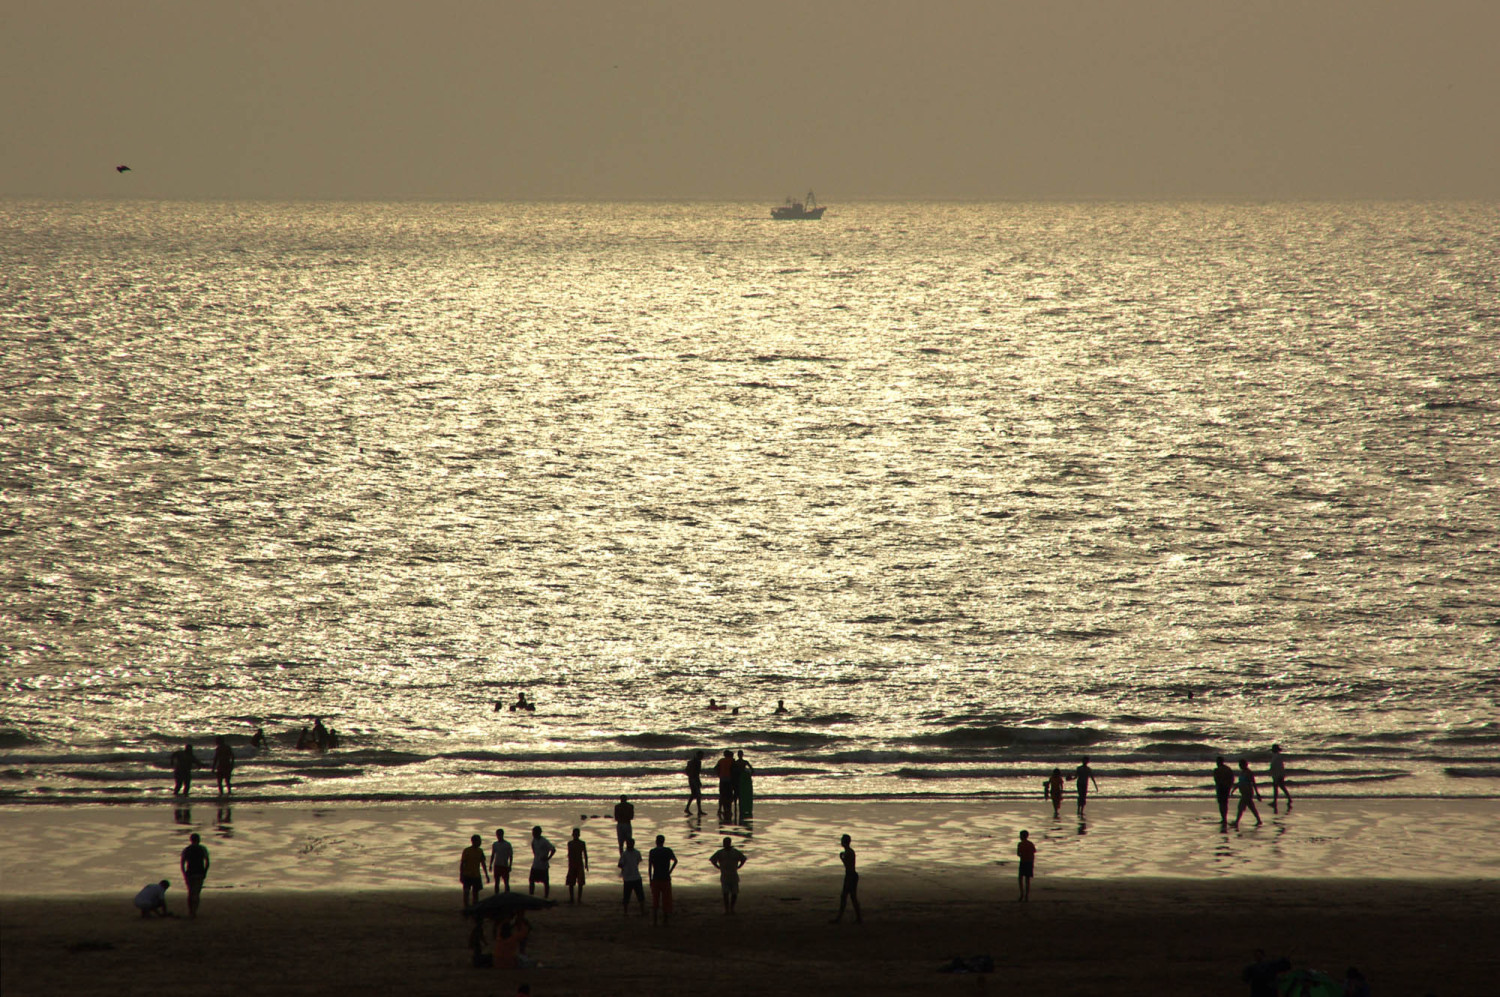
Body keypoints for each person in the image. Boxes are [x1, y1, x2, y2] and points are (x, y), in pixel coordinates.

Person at [710, 836, 747, 914]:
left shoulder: (735, 852)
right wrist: (718, 867)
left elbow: (743, 859)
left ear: (729, 843)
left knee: (734, 893)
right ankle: (727, 909)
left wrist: (739, 866)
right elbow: (712, 860)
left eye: (726, 843)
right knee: (725, 893)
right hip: (724, 875)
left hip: (733, 875)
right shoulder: (720, 852)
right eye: (724, 843)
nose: (725, 844)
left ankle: (731, 908)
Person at [648, 833, 677, 925]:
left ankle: (655, 920)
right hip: (665, 877)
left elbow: (650, 867)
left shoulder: (652, 851)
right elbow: (675, 861)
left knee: (655, 900)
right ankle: (665, 919)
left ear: (656, 841)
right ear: (663, 842)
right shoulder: (668, 851)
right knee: (666, 900)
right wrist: (670, 871)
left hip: (656, 877)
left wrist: (650, 879)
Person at [179, 832, 210, 918]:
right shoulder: (203, 849)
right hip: (199, 872)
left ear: (191, 840)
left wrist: (184, 873)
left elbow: (182, 863)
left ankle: (190, 911)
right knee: (196, 893)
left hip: (190, 873)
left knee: (190, 892)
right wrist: (205, 872)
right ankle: (194, 911)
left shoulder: (187, 849)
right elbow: (207, 862)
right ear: (199, 840)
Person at [833, 834, 861, 923]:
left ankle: (840, 918)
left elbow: (847, 865)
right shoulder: (850, 851)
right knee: (851, 897)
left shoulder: (848, 852)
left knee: (846, 897)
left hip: (850, 876)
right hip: (851, 875)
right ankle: (858, 917)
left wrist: (841, 858)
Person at [1233, 759, 1263, 828]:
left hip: (1248, 792)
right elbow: (1240, 783)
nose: (1240, 766)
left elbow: (1253, 783)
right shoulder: (1242, 772)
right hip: (1243, 793)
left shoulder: (1249, 773)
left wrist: (1257, 793)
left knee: (1241, 807)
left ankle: (1236, 822)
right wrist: (1234, 789)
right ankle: (1258, 820)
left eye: (1241, 764)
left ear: (1245, 764)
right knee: (1251, 807)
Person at [461, 833, 489, 907]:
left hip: (476, 875)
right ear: (473, 841)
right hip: (467, 875)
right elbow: (462, 864)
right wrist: (461, 875)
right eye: (479, 841)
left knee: (475, 893)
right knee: (466, 892)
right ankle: (466, 906)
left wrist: (486, 875)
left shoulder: (480, 851)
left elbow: (483, 864)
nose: (480, 842)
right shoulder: (467, 851)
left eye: (480, 841)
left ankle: (475, 906)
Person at [619, 837, 645, 915]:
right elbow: (637, 861)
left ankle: (640, 911)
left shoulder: (627, 853)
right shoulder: (627, 853)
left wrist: (625, 869)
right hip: (631, 877)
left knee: (639, 896)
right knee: (628, 896)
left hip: (633, 876)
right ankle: (626, 912)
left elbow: (620, 864)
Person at [528, 826, 555, 897]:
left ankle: (546, 896)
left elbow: (553, 849)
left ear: (539, 833)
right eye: (533, 832)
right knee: (531, 880)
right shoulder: (534, 841)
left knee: (545, 882)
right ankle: (531, 895)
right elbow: (533, 850)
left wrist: (548, 858)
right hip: (535, 864)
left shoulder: (544, 841)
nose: (533, 834)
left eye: (534, 832)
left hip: (543, 865)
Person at [565, 827, 589, 904]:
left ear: (578, 835)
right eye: (574, 834)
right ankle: (572, 898)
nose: (575, 835)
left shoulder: (582, 843)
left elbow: (585, 854)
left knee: (580, 883)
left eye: (576, 834)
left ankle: (579, 898)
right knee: (571, 883)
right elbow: (569, 855)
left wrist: (586, 864)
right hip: (572, 864)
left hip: (579, 864)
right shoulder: (570, 843)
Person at [1213, 756, 1236, 828]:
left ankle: (1223, 818)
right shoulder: (1228, 769)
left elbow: (1216, 780)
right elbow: (1232, 779)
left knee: (1221, 803)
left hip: (1221, 787)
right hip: (1226, 787)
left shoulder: (1216, 770)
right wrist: (1230, 786)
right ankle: (1224, 818)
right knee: (1225, 803)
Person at [1269, 744, 1293, 812]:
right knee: (1281, 787)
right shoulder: (1278, 756)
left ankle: (1275, 802)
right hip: (1279, 774)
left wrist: (1271, 771)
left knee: (1277, 788)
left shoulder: (1276, 757)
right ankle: (1288, 798)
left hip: (1277, 775)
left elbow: (1274, 766)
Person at [490, 828, 513, 893]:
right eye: (497, 835)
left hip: (504, 865)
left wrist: (510, 865)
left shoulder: (507, 844)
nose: (498, 836)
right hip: (497, 865)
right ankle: (496, 895)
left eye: (500, 834)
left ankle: (507, 895)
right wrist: (490, 865)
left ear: (502, 834)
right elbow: (493, 855)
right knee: (497, 883)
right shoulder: (495, 844)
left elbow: (510, 856)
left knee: (506, 882)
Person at [714, 749, 736, 818]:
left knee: (722, 795)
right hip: (729, 779)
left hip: (722, 779)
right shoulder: (732, 761)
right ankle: (728, 809)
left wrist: (719, 774)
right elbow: (734, 770)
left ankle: (720, 809)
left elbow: (715, 768)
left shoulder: (721, 760)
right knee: (729, 795)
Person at [1016, 830, 1036, 901]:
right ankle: (1026, 895)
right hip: (1029, 862)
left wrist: (1023, 855)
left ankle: (1022, 894)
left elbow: (1018, 854)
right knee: (1027, 880)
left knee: (1020, 878)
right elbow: (1034, 851)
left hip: (1023, 862)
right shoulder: (1030, 843)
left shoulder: (1020, 844)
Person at [684, 750, 705, 815]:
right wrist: (697, 781)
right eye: (701, 756)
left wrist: (691, 777)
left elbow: (687, 771)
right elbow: (695, 773)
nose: (702, 757)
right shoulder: (697, 762)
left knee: (693, 794)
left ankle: (688, 808)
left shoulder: (691, 762)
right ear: (698, 755)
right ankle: (698, 810)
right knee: (698, 795)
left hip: (691, 779)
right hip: (694, 779)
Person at [735, 750, 755, 819]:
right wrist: (748, 775)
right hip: (744, 780)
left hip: (738, 779)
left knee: (740, 795)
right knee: (745, 795)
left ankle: (739, 809)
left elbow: (733, 771)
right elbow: (752, 770)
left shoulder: (736, 762)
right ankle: (746, 809)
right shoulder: (745, 762)